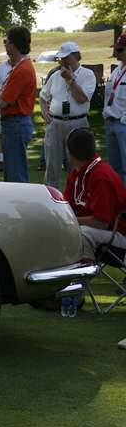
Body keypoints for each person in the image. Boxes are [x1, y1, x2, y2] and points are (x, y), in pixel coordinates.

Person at [38, 42, 96, 190]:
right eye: (60, 58)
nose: (62, 61)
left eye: (66, 57)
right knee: (52, 165)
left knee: (77, 165)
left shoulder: (88, 75)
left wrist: (70, 80)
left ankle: (76, 202)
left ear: (76, 57)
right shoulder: (56, 75)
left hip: (78, 124)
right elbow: (43, 96)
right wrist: (44, 111)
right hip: (55, 123)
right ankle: (50, 202)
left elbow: (82, 98)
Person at [64, 127, 126, 262]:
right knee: (59, 230)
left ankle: (81, 280)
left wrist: (69, 221)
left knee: (83, 234)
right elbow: (65, 209)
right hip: (108, 234)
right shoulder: (76, 175)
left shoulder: (101, 176)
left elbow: (101, 223)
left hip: (121, 235)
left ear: (69, 155)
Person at [0, 26, 36, 183]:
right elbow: (5, 99)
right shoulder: (19, 66)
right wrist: (3, 96)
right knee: (11, 173)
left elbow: (2, 102)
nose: (4, 44)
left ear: (13, 44)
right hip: (14, 123)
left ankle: (20, 207)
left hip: (15, 123)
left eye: (6, 41)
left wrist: (1, 96)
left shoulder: (21, 70)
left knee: (16, 176)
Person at [103, 34, 126, 186]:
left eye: (120, 49)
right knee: (115, 167)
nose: (116, 53)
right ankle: (119, 202)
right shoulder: (117, 70)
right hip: (110, 122)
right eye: (116, 49)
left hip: (122, 124)